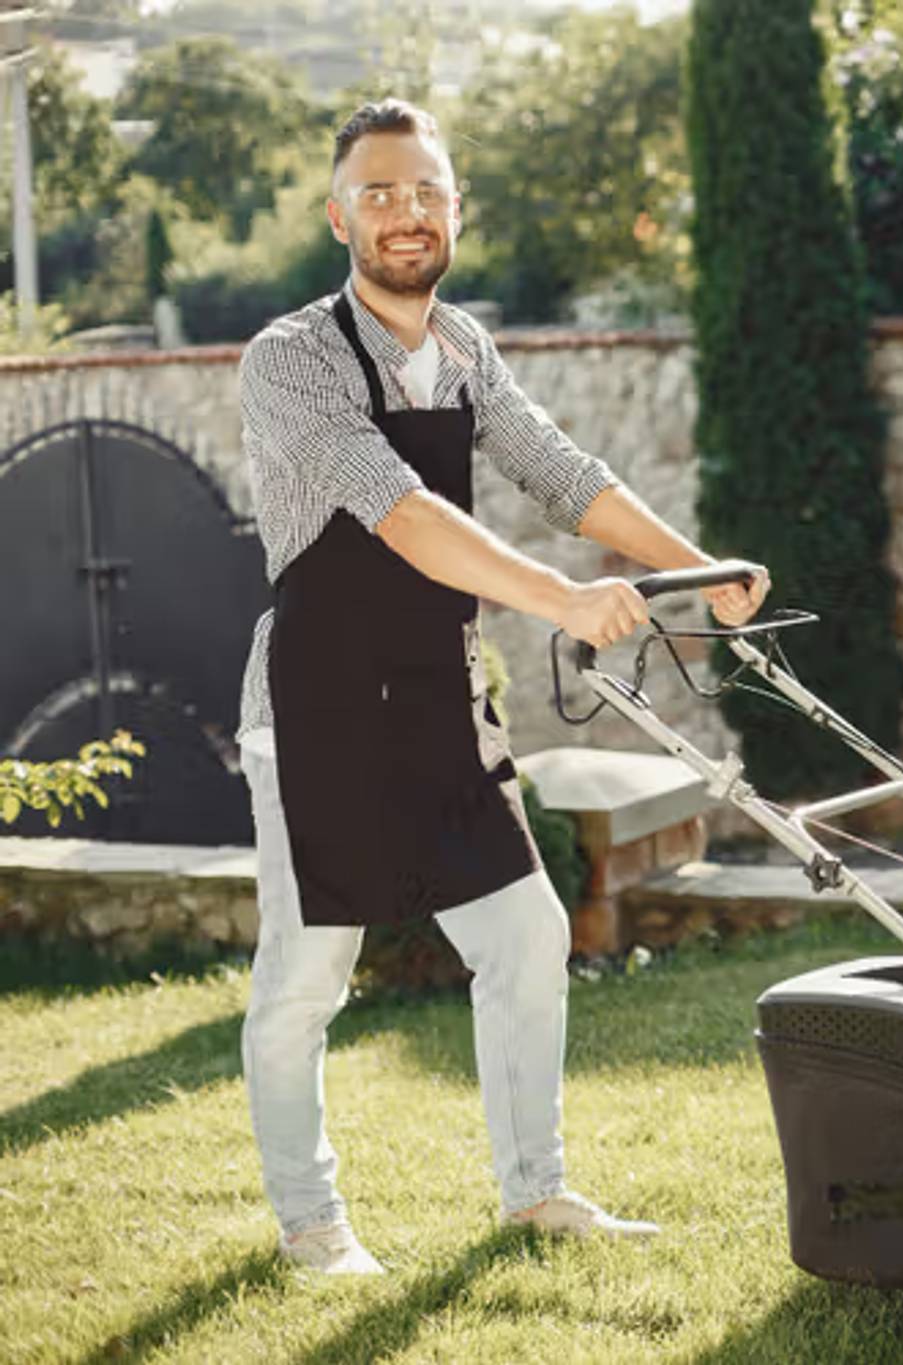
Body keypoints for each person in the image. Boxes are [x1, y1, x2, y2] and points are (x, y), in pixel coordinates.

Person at [233, 98, 769, 1275]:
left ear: (455, 206)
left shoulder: (466, 349)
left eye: (425, 188)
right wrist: (567, 601)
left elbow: (562, 475)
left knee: (524, 936)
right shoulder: (288, 360)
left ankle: (536, 1193)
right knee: (308, 977)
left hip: (436, 694)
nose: (405, 211)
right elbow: (404, 514)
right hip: (317, 706)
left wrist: (696, 568)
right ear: (338, 216)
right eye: (378, 191)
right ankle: (310, 1224)